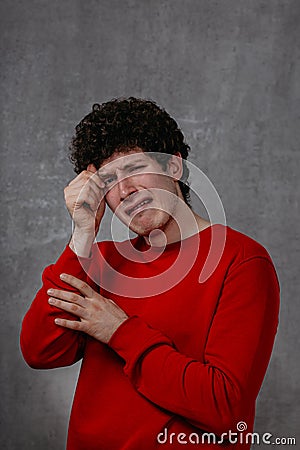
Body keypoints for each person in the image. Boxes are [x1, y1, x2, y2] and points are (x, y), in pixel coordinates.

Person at [20, 97, 280, 450]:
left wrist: (119, 331)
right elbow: (40, 351)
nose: (125, 190)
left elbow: (225, 407)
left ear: (173, 166)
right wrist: (82, 234)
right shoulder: (101, 260)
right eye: (108, 180)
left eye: (133, 168)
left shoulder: (242, 261)